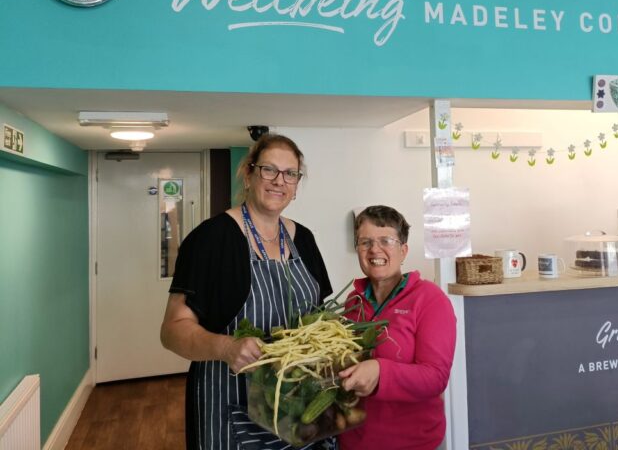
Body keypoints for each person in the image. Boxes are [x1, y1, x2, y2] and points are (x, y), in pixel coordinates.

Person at [160, 134, 334, 450]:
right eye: (269, 170)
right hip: (230, 408)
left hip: (298, 408)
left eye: (290, 174)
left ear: (296, 184)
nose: (279, 181)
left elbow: (319, 316)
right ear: (250, 174)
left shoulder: (304, 239)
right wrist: (226, 347)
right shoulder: (210, 240)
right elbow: (171, 331)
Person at [338, 205, 457, 450]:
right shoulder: (353, 301)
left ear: (403, 251)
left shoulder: (430, 299)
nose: (374, 250)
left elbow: (436, 377)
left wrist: (380, 371)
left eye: (386, 241)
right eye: (365, 242)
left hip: (410, 443)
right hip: (352, 441)